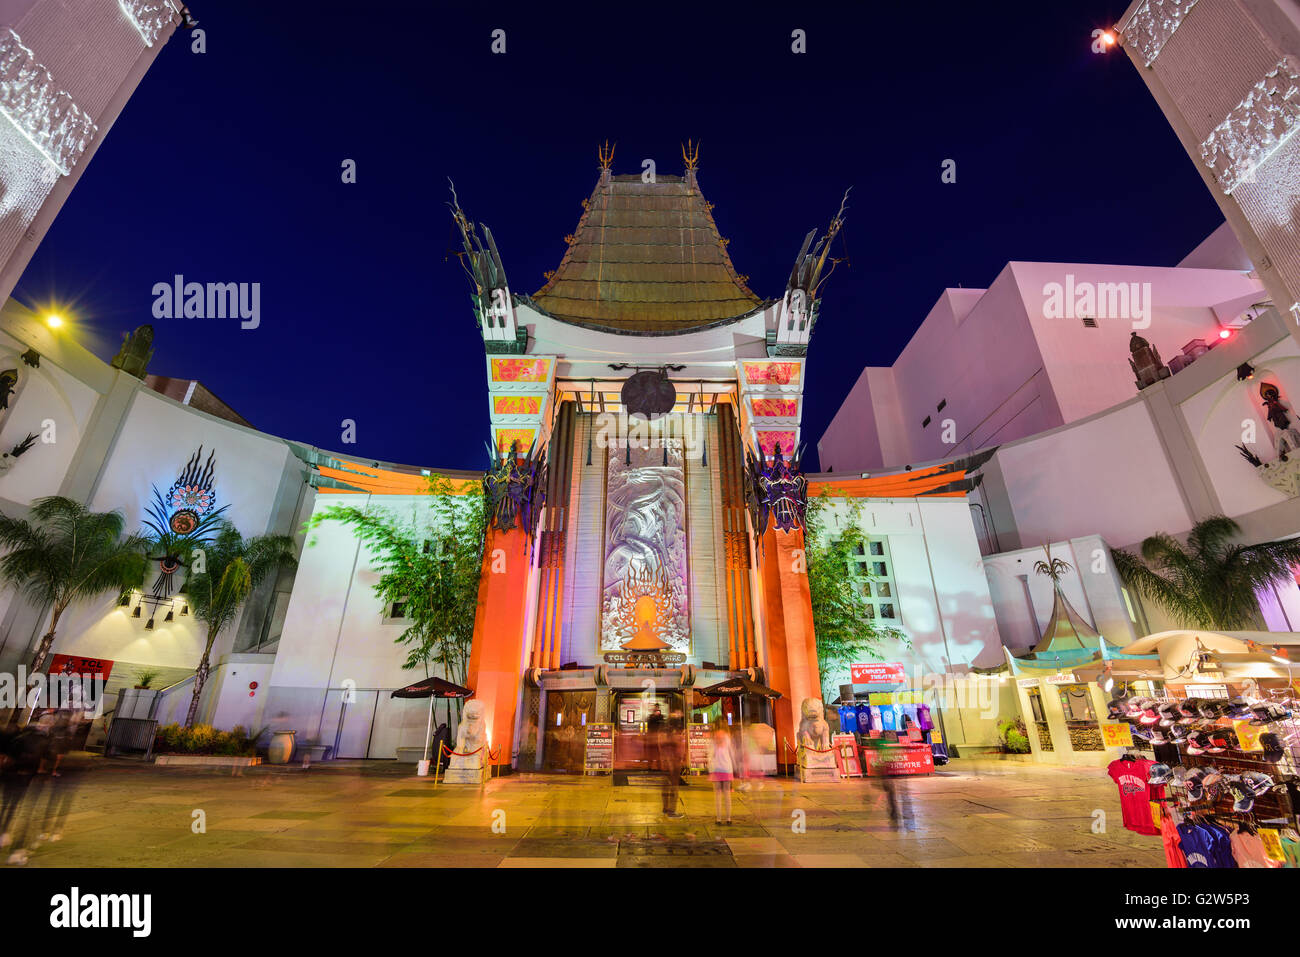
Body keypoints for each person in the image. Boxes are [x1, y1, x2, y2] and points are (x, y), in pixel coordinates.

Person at [708, 722, 736, 825]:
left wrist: (710, 768)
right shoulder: (727, 739)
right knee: (727, 795)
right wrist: (735, 767)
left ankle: (718, 819)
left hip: (716, 769)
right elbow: (732, 753)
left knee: (718, 795)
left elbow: (710, 755)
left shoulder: (713, 740)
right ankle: (728, 818)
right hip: (727, 768)